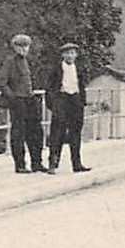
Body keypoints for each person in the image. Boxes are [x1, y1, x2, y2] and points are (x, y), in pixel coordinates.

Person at [0, 33, 47, 174]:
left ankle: (36, 163)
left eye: (26, 46)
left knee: (36, 132)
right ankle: (20, 164)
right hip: (18, 101)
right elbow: (2, 83)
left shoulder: (28, 61)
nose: (24, 49)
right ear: (14, 47)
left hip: (30, 99)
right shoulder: (10, 61)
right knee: (18, 133)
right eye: (20, 46)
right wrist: (12, 98)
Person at [46, 41, 91, 173]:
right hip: (62, 99)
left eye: (72, 53)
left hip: (75, 101)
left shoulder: (79, 68)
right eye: (67, 53)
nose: (70, 56)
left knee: (75, 133)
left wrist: (82, 102)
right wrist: (53, 105)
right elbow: (49, 88)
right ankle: (53, 164)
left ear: (76, 55)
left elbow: (82, 86)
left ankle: (76, 164)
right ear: (62, 55)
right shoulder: (56, 69)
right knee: (57, 133)